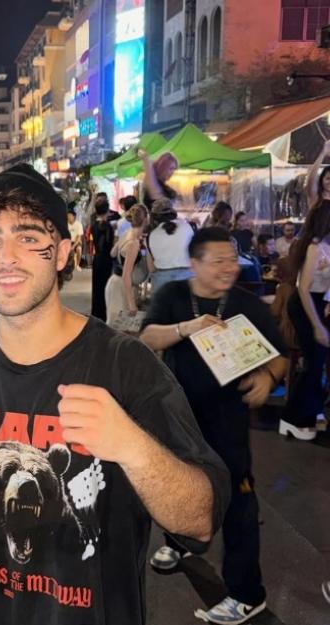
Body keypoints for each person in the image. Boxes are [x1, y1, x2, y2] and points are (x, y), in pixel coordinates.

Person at [0, 164, 229, 625]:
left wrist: (132, 447)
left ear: (62, 252)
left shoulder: (126, 366)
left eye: (27, 237)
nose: (6, 258)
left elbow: (199, 519)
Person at [140, 227, 286, 624]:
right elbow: (148, 337)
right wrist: (187, 328)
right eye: (218, 260)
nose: (229, 268)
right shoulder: (173, 296)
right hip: (180, 415)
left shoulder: (246, 303)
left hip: (229, 420)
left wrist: (268, 378)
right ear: (195, 263)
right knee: (179, 482)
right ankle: (179, 541)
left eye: (232, 260)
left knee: (240, 504)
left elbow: (279, 354)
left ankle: (246, 593)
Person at [280, 200, 330, 441]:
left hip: (318, 303)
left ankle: (311, 414)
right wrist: (317, 325)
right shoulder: (314, 247)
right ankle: (292, 418)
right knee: (313, 362)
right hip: (306, 305)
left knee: (316, 363)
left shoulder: (326, 246)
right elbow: (303, 289)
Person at [105, 204, 150, 325]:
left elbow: (113, 253)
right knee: (121, 330)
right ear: (145, 219)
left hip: (113, 282)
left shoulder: (127, 234)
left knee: (113, 325)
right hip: (122, 287)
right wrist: (131, 303)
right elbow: (126, 275)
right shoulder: (134, 243)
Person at [146, 199, 196, 294]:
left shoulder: (151, 236)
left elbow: (151, 268)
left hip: (162, 281)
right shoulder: (189, 227)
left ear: (154, 217)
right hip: (187, 277)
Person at [90, 193, 118, 321]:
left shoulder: (93, 225)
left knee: (97, 288)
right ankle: (104, 314)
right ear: (107, 210)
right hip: (106, 259)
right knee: (106, 288)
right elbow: (109, 245)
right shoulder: (108, 227)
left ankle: (96, 313)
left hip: (97, 259)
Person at [303, 138, 330, 209]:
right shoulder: (315, 195)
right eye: (328, 178)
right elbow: (312, 178)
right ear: (322, 179)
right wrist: (323, 153)